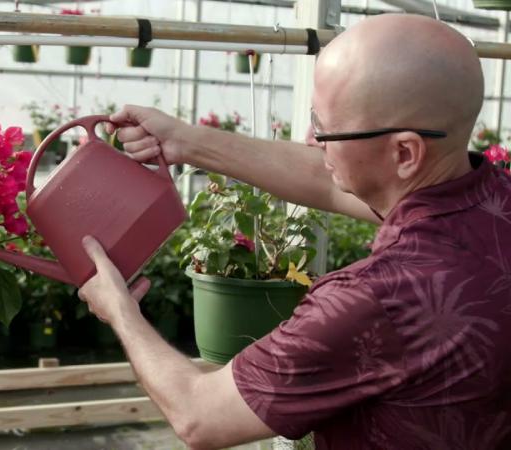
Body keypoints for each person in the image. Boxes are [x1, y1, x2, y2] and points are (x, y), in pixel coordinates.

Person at [76, 13, 511, 450]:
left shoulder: (375, 299)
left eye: (326, 128)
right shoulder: (494, 202)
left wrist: (120, 311)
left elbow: (200, 415)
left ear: (404, 152)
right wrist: (184, 142)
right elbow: (328, 178)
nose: (311, 138)